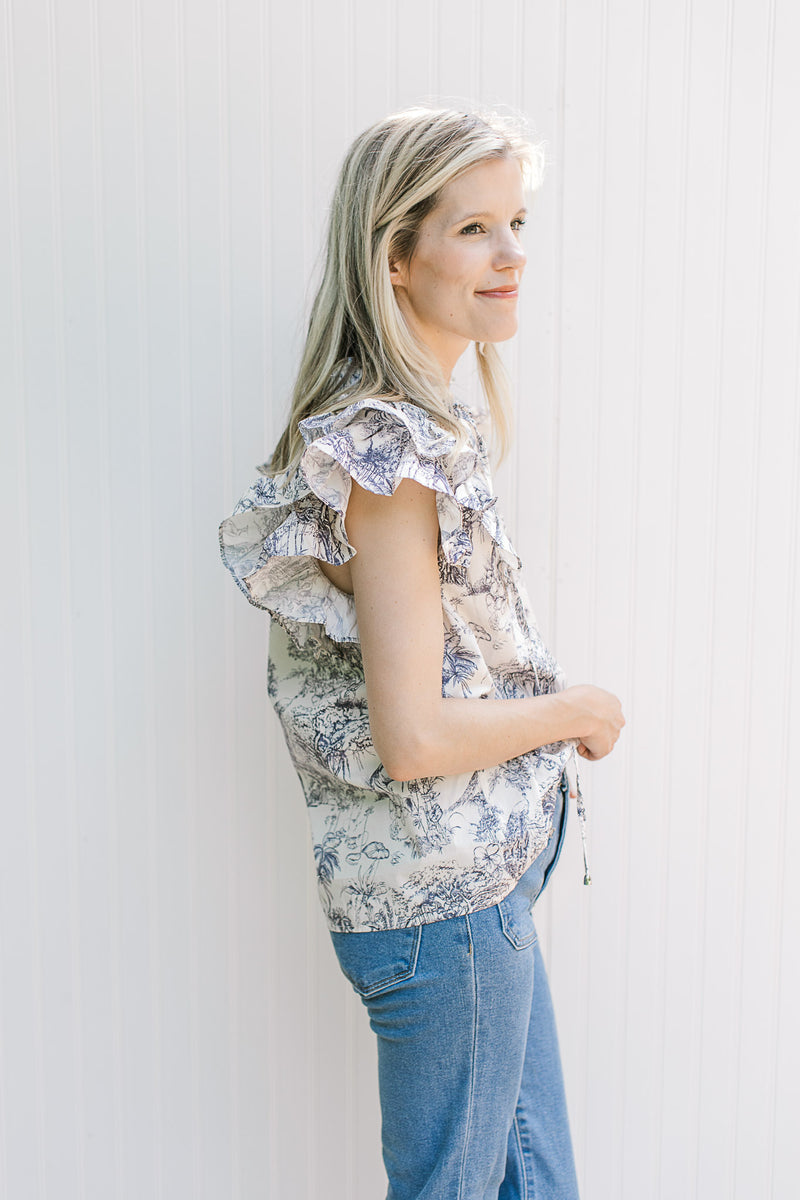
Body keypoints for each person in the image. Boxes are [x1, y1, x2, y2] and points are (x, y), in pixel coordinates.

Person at [219, 107, 624, 1200]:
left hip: (464, 901)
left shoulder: (412, 432)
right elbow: (416, 736)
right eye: (474, 230)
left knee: (533, 1186)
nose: (511, 257)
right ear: (394, 258)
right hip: (444, 918)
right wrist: (579, 706)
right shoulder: (386, 454)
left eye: (516, 223)